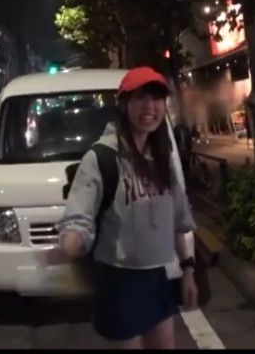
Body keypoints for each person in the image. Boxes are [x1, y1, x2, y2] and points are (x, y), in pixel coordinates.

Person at [53, 67, 198, 349]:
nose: (150, 107)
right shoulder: (101, 158)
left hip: (157, 278)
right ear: (123, 104)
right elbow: (79, 217)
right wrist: (73, 240)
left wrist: (188, 270)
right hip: (119, 284)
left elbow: (178, 222)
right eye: (140, 97)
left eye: (157, 98)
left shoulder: (162, 157)